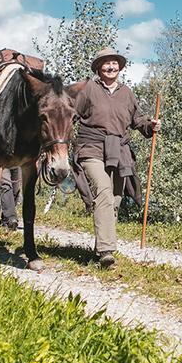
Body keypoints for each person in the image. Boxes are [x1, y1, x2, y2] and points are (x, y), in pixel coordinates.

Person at [71, 47, 161, 269]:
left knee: (115, 200)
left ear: (119, 67)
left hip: (118, 151)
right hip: (90, 147)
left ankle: (98, 248)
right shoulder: (88, 89)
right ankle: (106, 252)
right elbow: (70, 115)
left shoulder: (126, 93)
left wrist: (151, 125)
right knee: (103, 191)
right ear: (98, 67)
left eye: (115, 63)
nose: (111, 67)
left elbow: (137, 120)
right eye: (106, 63)